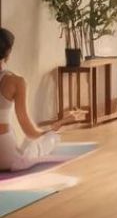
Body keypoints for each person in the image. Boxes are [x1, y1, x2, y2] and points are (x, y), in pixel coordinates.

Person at [0, 28, 77, 172]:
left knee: (27, 143)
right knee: (46, 141)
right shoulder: (16, 82)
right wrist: (56, 126)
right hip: (5, 156)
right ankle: (54, 130)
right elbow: (29, 130)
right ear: (8, 52)